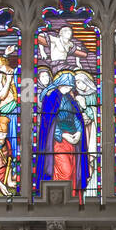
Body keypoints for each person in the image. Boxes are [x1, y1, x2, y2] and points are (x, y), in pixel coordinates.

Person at [34, 70, 90, 198]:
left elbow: (76, 117)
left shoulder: (69, 98)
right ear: (60, 84)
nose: (69, 88)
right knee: (65, 170)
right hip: (57, 141)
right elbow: (50, 122)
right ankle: (59, 199)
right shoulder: (51, 97)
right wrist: (63, 135)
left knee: (73, 171)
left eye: (70, 87)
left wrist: (79, 132)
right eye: (67, 86)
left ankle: (72, 198)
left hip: (73, 140)